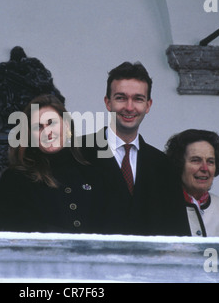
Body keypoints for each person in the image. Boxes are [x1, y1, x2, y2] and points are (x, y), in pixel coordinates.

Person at [81, 61, 190, 236]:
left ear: (148, 105)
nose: (129, 107)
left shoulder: (164, 166)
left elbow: (178, 234)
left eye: (138, 99)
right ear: (108, 103)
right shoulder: (77, 153)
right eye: (121, 98)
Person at [0, 94, 108, 233]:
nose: (47, 132)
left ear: (66, 125)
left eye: (51, 123)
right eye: (38, 127)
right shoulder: (16, 178)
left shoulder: (91, 169)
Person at [165, 129, 219, 238]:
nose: (204, 168)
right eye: (196, 160)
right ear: (179, 164)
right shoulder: (160, 208)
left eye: (210, 162)